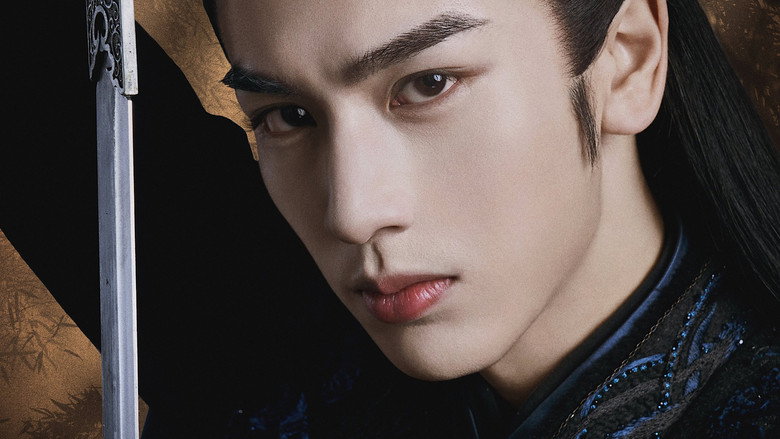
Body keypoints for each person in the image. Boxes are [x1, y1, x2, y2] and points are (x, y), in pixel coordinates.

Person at [142, 0, 779, 437]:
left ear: (627, 60)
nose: (352, 214)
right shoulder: (262, 371)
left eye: (430, 83)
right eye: (290, 116)